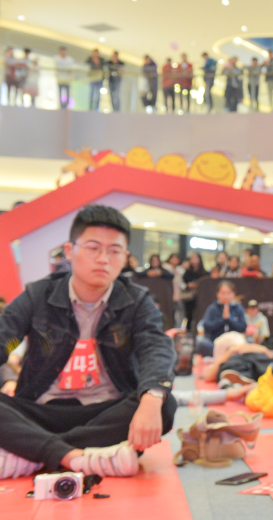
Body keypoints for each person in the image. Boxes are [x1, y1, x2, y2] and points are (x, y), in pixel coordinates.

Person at [0, 205, 176, 479]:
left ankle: (36, 454)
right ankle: (80, 457)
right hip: (41, 411)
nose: (103, 258)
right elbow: (6, 340)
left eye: (114, 251)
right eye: (93, 248)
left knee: (162, 403)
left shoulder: (136, 301)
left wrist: (152, 399)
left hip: (104, 413)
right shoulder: (38, 296)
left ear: (125, 257)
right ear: (70, 251)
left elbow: (154, 347)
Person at [196, 281, 247, 357]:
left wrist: (229, 319)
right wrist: (222, 320)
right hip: (215, 343)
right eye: (223, 293)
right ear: (217, 294)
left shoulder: (238, 308)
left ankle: (229, 355)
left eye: (229, 293)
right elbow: (207, 327)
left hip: (234, 343)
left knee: (249, 343)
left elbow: (243, 327)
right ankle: (227, 356)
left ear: (234, 294)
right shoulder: (212, 308)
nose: (226, 296)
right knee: (202, 344)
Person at [182, 252, 207, 330]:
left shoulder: (204, 272)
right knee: (189, 315)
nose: (194, 260)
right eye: (192, 258)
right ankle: (188, 331)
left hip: (201, 297)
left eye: (196, 258)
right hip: (189, 298)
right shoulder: (187, 273)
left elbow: (206, 283)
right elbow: (182, 284)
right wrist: (188, 285)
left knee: (200, 314)